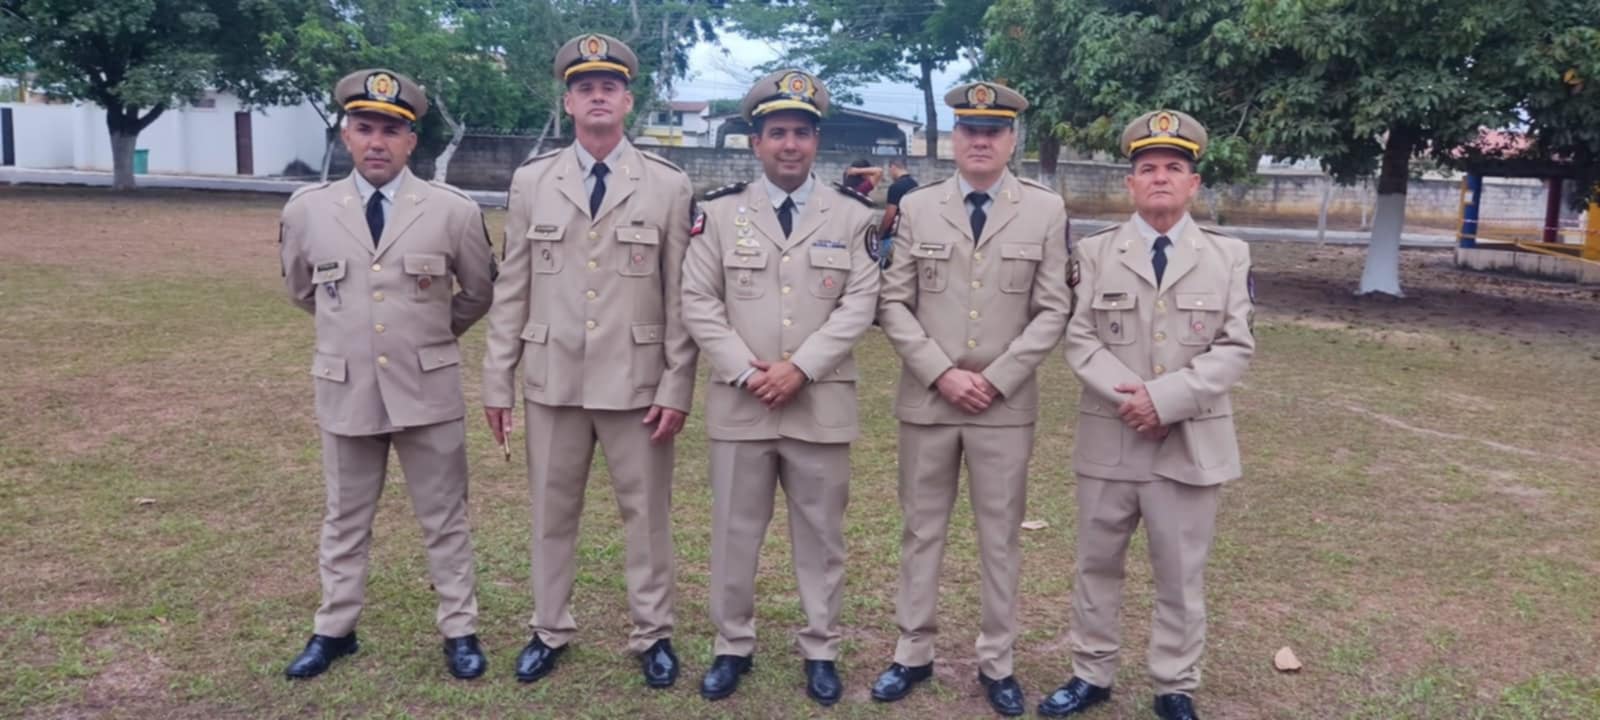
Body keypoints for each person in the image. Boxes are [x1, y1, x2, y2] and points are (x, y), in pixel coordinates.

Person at [481, 33, 698, 688]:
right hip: (553, 380)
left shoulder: (667, 184)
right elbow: (513, 285)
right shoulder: (531, 181)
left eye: (609, 86)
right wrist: (498, 378)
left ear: (628, 100)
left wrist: (677, 383)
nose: (597, 96)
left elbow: (681, 296)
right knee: (551, 512)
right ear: (568, 101)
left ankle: (652, 632)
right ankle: (549, 628)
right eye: (585, 87)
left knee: (647, 517)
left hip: (637, 383)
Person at [277, 68, 495, 681]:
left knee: (444, 515)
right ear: (346, 135)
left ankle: (460, 629)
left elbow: (478, 292)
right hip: (346, 386)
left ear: (412, 141)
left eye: (391, 131)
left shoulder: (452, 211)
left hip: (428, 387)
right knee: (345, 516)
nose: (377, 141)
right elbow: (301, 288)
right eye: (364, 128)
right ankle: (334, 629)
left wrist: (424, 339)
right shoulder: (309, 210)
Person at [1040, 110, 1255, 720]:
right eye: (1147, 169)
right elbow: (1079, 338)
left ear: (1194, 184)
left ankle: (1174, 684)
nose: (1160, 178)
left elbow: (1235, 347)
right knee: (1096, 565)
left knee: (1180, 575)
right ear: (1130, 184)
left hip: (1188, 444)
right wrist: (1132, 399)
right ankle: (1090, 673)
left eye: (1174, 168)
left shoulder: (1230, 256)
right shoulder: (1095, 252)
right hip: (1111, 438)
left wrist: (1165, 402)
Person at [680, 68, 881, 707]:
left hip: (820, 401)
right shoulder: (717, 213)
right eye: (776, 133)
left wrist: (801, 367)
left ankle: (821, 647)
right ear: (755, 142)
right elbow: (698, 301)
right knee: (735, 531)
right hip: (741, 402)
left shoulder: (851, 216)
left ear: (816, 141)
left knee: (821, 536)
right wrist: (747, 370)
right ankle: (731, 644)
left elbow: (860, 303)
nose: (788, 144)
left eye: (799, 132)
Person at [872, 81, 1072, 717]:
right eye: (968, 130)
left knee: (1000, 537)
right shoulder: (919, 207)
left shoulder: (1045, 210)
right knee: (920, 530)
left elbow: (1052, 309)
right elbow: (893, 302)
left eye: (993, 131)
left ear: (1012, 139)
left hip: (1002, 406)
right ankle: (912, 651)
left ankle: (998, 661)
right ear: (953, 139)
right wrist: (940, 372)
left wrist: (998, 377)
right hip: (929, 401)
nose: (980, 141)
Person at [876, 158, 919, 266]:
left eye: (889, 170)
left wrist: (880, 234)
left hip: (892, 237)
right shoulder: (915, 185)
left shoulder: (895, 187)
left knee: (884, 269)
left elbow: (890, 214)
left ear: (893, 167)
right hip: (909, 236)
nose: (890, 174)